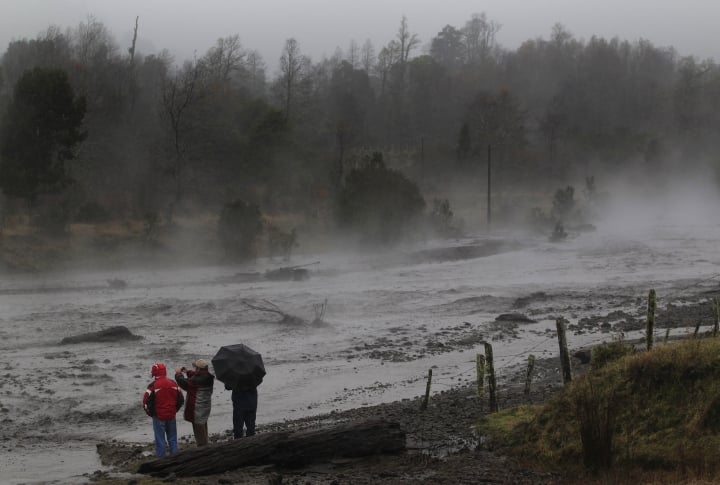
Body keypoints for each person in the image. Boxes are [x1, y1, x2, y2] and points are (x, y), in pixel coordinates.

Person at [142, 362, 185, 457]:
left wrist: (152, 414)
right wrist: (174, 410)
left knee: (160, 440)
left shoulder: (152, 386)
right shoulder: (173, 383)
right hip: (171, 415)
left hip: (159, 417)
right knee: (173, 439)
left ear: (154, 373)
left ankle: (162, 461)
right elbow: (181, 399)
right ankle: (176, 459)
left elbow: (145, 404)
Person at [174, 358, 215, 446]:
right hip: (205, 408)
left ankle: (203, 451)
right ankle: (206, 446)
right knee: (204, 426)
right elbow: (196, 376)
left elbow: (183, 383)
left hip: (197, 410)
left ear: (199, 369)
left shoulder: (195, 380)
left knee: (199, 432)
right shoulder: (209, 377)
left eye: (195, 367)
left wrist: (178, 374)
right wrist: (187, 372)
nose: (194, 368)